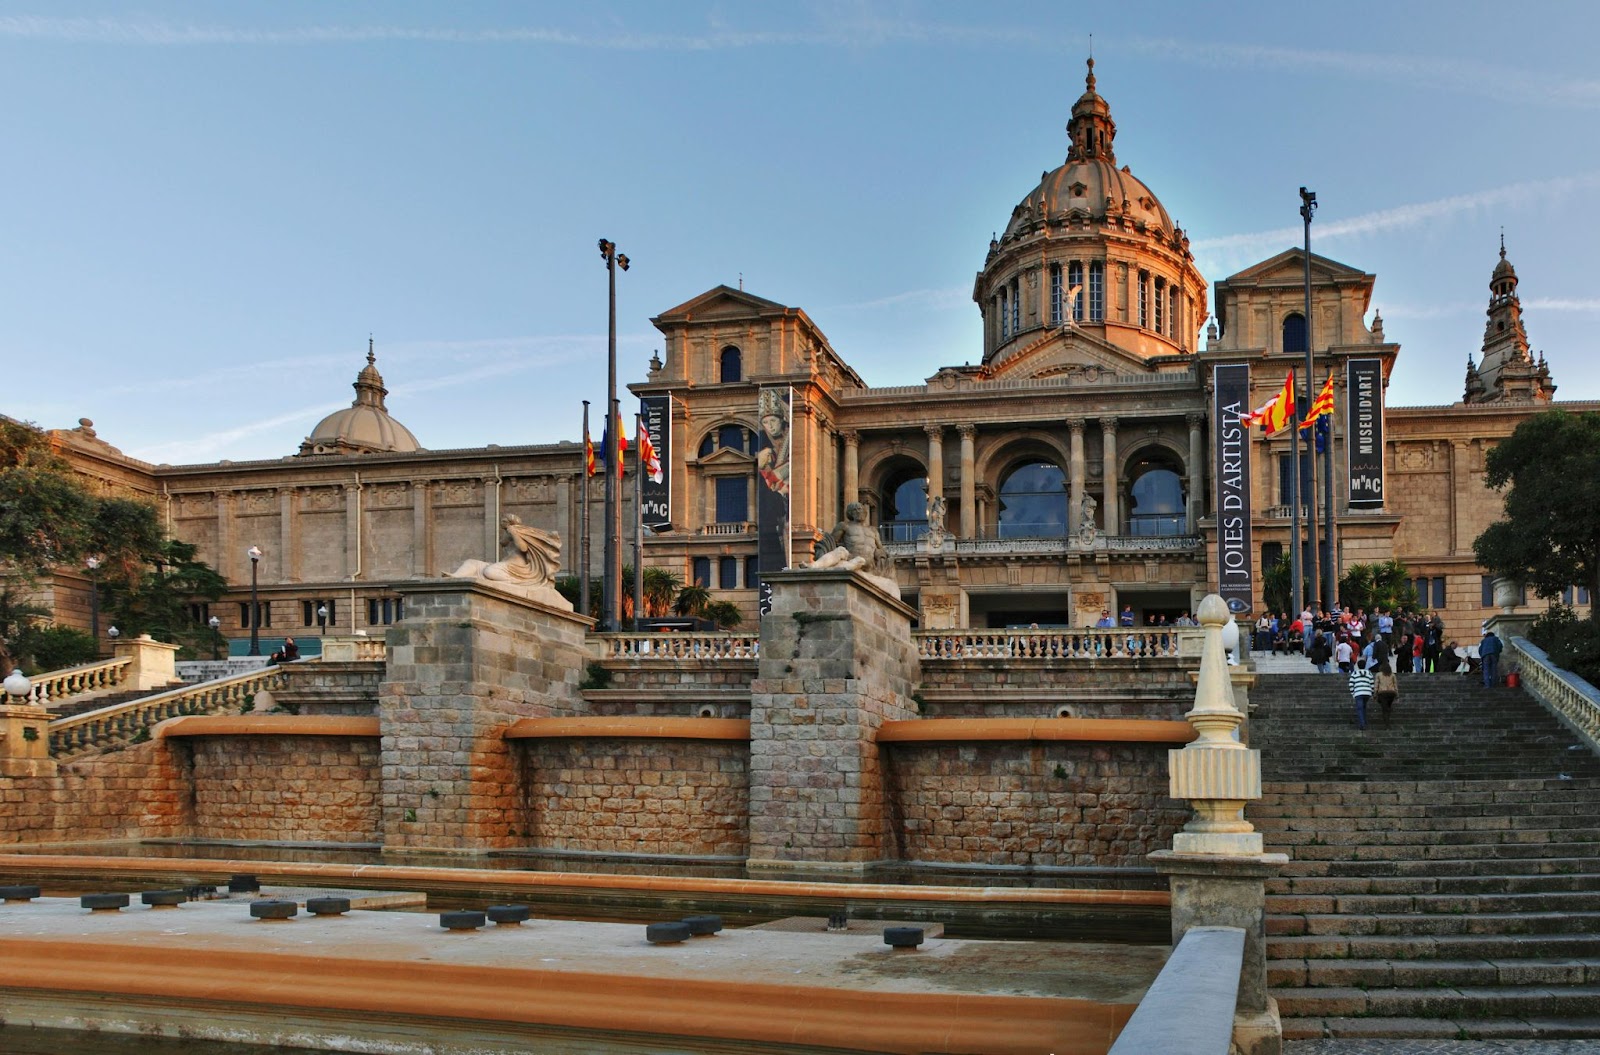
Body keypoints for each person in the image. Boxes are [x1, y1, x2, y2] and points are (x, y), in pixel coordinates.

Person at [1349, 663, 1375, 731]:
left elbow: (1351, 683)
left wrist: (1353, 693)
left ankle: (1362, 724)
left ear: (1358, 666)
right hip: (1367, 692)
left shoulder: (1354, 673)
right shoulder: (1369, 673)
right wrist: (1372, 692)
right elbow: (1372, 683)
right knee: (1364, 707)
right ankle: (1364, 721)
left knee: (1359, 708)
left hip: (1358, 692)